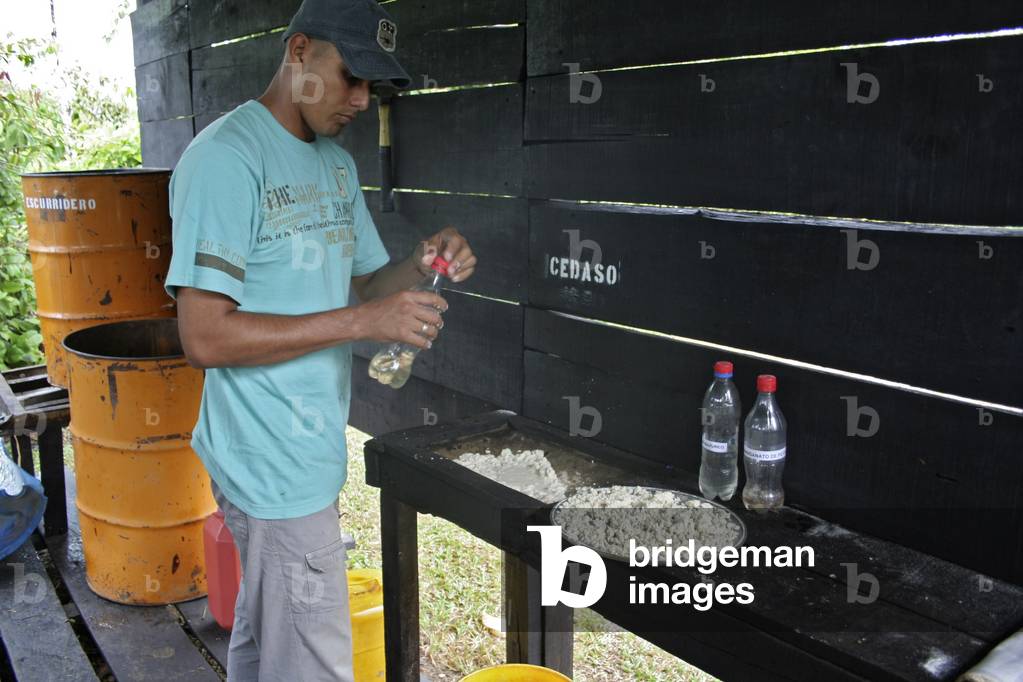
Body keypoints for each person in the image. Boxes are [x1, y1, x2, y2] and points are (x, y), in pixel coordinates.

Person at [164, 0, 477, 678]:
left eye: (374, 87)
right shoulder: (226, 159)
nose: (361, 101)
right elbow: (205, 338)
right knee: (314, 661)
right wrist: (365, 324)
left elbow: (368, 284)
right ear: (299, 51)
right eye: (350, 77)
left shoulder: (333, 164)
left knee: (262, 636)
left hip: (305, 448)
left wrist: (425, 262)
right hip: (268, 461)